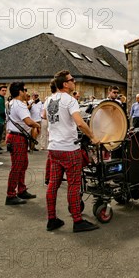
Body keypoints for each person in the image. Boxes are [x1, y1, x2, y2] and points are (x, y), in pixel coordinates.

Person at [44, 70, 99, 232]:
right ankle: (77, 220)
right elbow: (80, 123)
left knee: (53, 184)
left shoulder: (48, 100)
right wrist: (93, 137)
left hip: (54, 148)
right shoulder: (70, 100)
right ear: (65, 84)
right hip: (69, 148)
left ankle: (51, 219)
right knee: (74, 185)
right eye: (71, 80)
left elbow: (44, 116)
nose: (74, 81)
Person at [5, 82, 41, 205]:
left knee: (23, 164)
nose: (26, 93)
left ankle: (21, 190)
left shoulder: (11, 103)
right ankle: (11, 195)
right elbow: (28, 121)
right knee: (17, 166)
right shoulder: (19, 105)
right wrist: (37, 124)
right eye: (25, 90)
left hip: (15, 136)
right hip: (17, 138)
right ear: (20, 92)